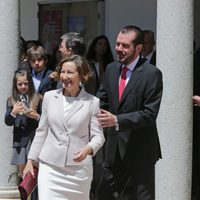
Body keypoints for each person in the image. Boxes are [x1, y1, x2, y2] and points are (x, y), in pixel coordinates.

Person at [23, 55, 105, 200]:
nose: (64, 76)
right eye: (62, 72)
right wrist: (31, 160)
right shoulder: (49, 97)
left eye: (70, 72)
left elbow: (98, 136)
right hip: (50, 168)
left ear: (81, 76)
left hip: (78, 172)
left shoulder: (92, 102)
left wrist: (88, 149)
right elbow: (42, 131)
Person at [96, 25, 163, 200]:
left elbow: (149, 114)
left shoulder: (151, 74)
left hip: (141, 149)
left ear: (138, 48)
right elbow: (101, 101)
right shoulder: (111, 69)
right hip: (114, 149)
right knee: (103, 195)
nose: (118, 49)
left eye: (125, 46)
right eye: (117, 44)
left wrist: (116, 120)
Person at [4, 69, 42, 178]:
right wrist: (13, 112)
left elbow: (46, 120)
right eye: (19, 84)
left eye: (26, 83)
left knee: (35, 173)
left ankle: (36, 195)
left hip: (34, 139)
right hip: (19, 141)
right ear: (15, 85)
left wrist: (36, 117)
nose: (23, 86)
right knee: (23, 174)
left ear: (30, 83)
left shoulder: (38, 98)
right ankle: (25, 195)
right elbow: (7, 121)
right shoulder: (11, 100)